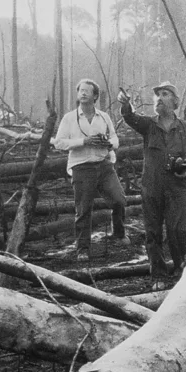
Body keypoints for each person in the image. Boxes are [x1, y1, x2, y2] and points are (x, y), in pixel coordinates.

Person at [117, 82, 186, 278]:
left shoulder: (185, 128)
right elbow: (130, 117)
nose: (159, 98)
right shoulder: (149, 125)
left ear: (175, 102)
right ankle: (159, 275)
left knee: (178, 232)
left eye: (165, 94)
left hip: (176, 188)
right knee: (153, 233)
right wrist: (125, 104)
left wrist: (185, 168)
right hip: (152, 187)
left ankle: (184, 272)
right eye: (157, 95)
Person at [51, 78, 127, 263]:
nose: (83, 93)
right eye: (80, 91)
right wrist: (83, 142)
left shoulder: (104, 117)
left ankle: (118, 231)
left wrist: (109, 143)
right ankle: (82, 248)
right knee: (84, 209)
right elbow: (59, 143)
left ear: (95, 96)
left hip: (104, 165)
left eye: (87, 91)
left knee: (119, 200)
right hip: (81, 167)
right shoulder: (70, 118)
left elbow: (115, 138)